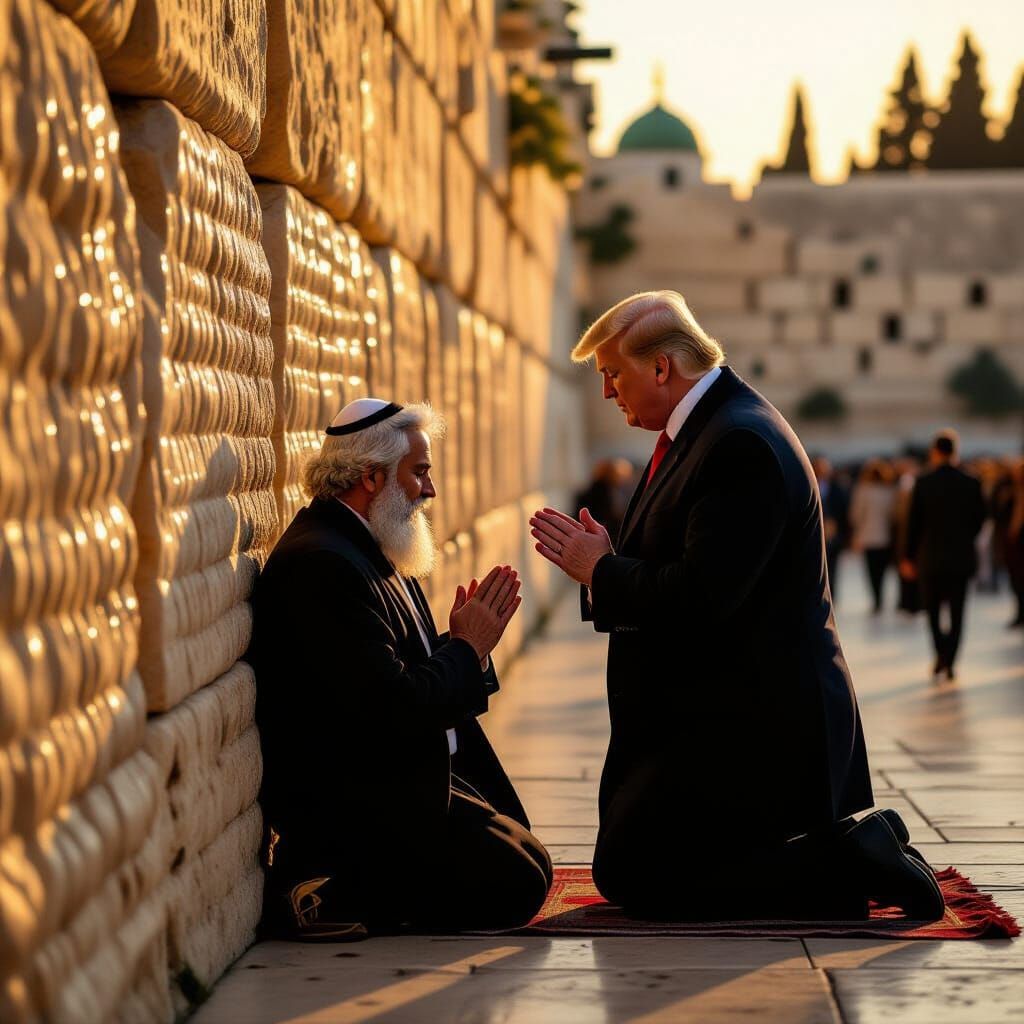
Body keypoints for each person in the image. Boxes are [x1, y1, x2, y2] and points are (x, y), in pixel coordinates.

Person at [529, 291, 943, 923]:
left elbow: (705, 596)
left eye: (613, 374)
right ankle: (848, 850)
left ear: (661, 368)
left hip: (757, 727)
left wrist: (602, 570)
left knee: (643, 879)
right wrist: (605, 566)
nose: (608, 392)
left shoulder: (738, 442)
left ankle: (851, 859)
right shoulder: (710, 429)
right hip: (718, 711)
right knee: (627, 868)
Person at [248, 399, 552, 939]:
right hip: (353, 807)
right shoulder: (322, 563)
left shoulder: (370, 545)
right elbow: (391, 707)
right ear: (371, 477)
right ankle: (322, 891)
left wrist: (470, 648)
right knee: (515, 882)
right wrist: (466, 648)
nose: (429, 490)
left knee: (531, 858)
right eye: (420, 472)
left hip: (395, 778)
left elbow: (401, 671)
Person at [901, 430, 986, 683]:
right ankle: (950, 659)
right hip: (960, 558)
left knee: (933, 611)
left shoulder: (923, 482)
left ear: (935, 452)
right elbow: (980, 519)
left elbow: (913, 524)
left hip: (930, 558)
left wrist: (908, 556)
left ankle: (940, 653)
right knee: (958, 612)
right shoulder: (971, 482)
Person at [849, 459, 897, 614]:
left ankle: (876, 600)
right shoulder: (889, 491)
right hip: (886, 537)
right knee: (882, 571)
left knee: (871, 572)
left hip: (868, 536)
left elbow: (856, 515)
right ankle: (880, 597)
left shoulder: (863, 491)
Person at [812, 456, 850, 602]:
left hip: (834, 535)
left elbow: (843, 510)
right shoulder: (809, 484)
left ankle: (831, 596)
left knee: (833, 567)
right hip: (816, 533)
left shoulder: (836, 488)